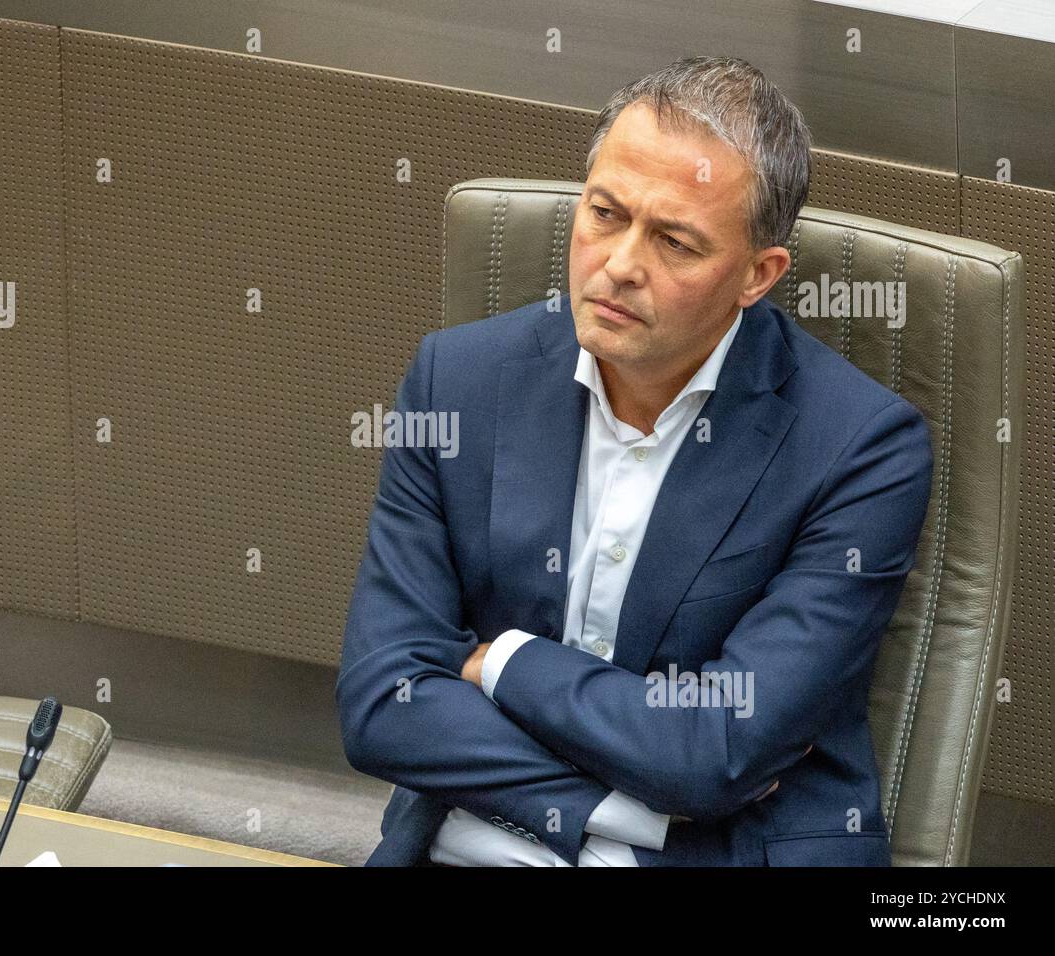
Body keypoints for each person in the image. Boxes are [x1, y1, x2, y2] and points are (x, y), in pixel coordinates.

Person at [336, 55, 933, 866]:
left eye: (675, 242)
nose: (619, 264)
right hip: (478, 842)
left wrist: (503, 660)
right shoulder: (457, 382)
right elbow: (382, 703)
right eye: (606, 214)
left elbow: (717, 750)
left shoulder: (862, 447)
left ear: (759, 276)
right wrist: (629, 805)